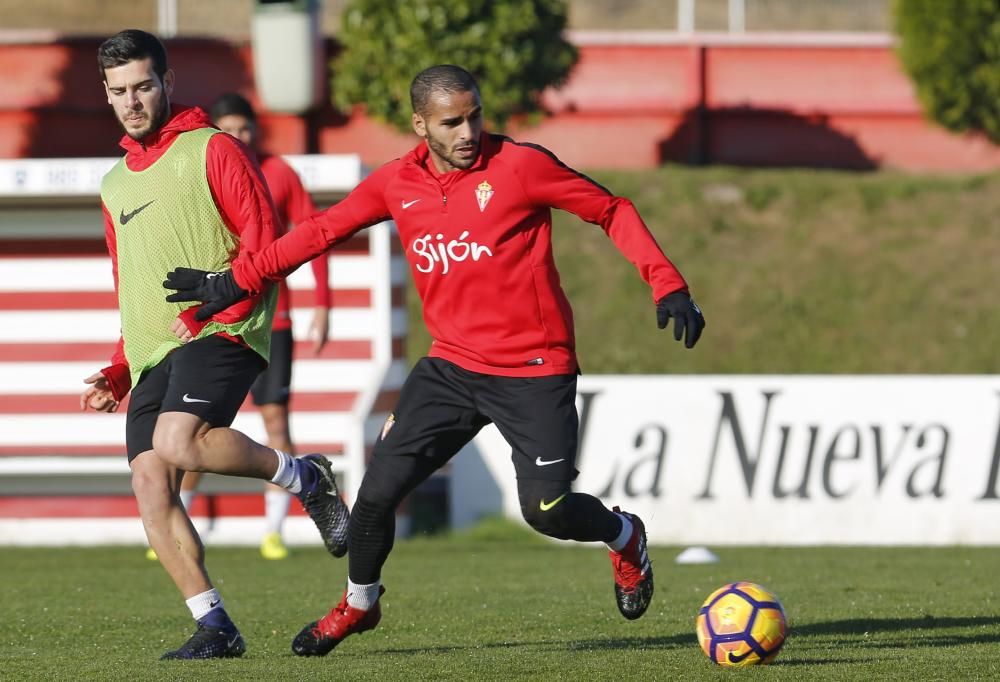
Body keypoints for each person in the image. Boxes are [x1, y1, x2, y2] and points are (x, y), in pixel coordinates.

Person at [164, 64, 706, 657]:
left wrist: (667, 284)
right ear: (421, 124)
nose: (468, 130)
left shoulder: (522, 167)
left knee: (547, 510)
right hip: (449, 368)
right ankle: (359, 606)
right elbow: (320, 231)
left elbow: (612, 209)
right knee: (373, 497)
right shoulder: (396, 182)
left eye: (475, 115)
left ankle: (624, 538)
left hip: (534, 367)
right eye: (452, 122)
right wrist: (234, 281)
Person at [80, 29, 349, 660]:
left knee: (178, 442)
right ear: (107, 94)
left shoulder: (214, 149)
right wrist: (120, 370)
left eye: (143, 85)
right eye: (119, 91)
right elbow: (130, 287)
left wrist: (218, 308)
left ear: (168, 83)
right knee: (151, 484)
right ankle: (215, 625)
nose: (133, 101)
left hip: (224, 327)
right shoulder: (113, 185)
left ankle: (304, 476)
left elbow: (265, 243)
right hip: (152, 350)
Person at [157, 93, 331, 562]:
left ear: (257, 131)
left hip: (273, 320)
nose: (238, 135)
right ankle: (176, 523)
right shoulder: (205, 168)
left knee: (275, 419)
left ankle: (274, 531)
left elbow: (311, 231)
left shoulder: (279, 172)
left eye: (246, 128)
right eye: (229, 126)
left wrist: (323, 303)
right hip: (215, 319)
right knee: (198, 427)